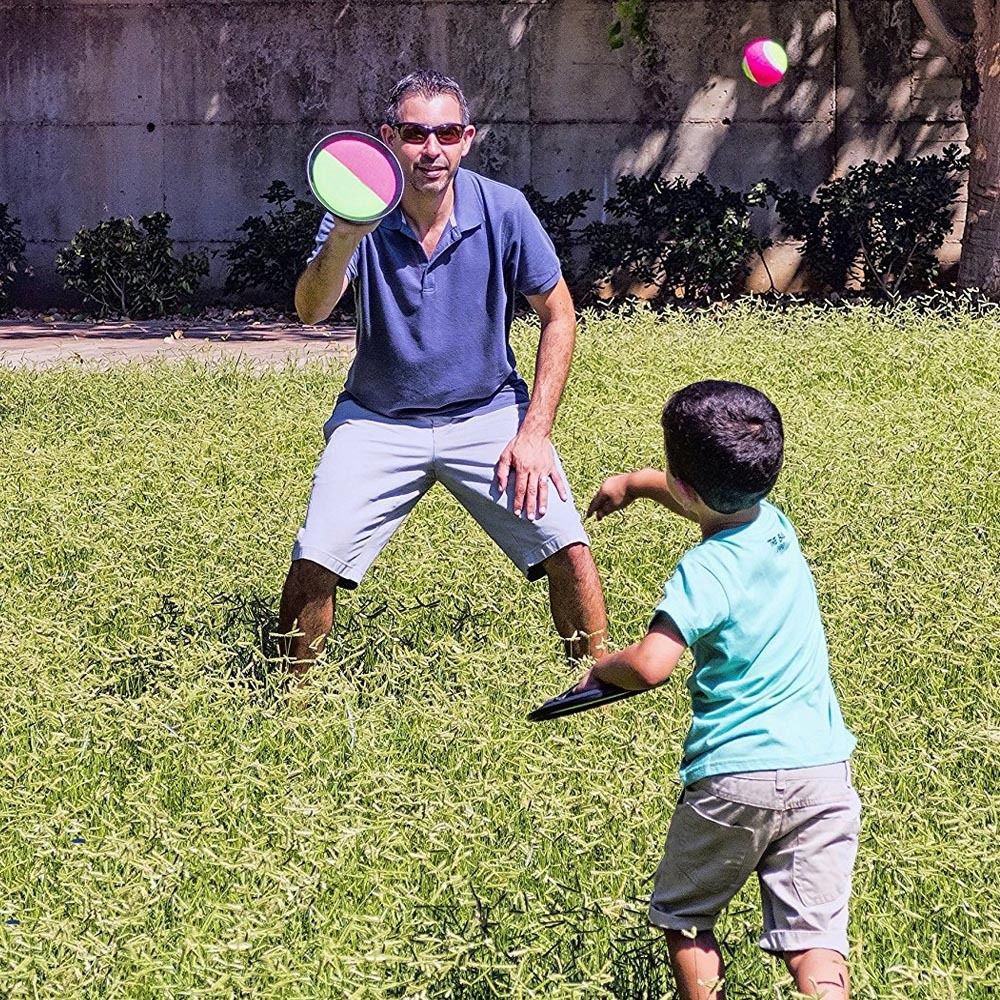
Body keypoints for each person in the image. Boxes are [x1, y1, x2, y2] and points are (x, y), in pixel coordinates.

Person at [279, 70, 607, 676]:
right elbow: (310, 309)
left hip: (486, 415)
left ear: (467, 139)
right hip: (377, 420)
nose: (432, 149)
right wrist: (348, 235)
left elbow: (560, 317)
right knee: (316, 554)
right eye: (414, 133)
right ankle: (288, 705)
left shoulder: (504, 209)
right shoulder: (354, 207)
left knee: (569, 546)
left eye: (447, 133)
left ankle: (595, 687)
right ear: (388, 138)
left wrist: (533, 433)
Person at [581, 380, 860, 1000]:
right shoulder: (776, 527)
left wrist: (603, 666)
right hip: (823, 773)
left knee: (686, 918)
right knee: (815, 938)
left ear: (685, 486)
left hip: (735, 779)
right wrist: (635, 483)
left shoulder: (703, 570)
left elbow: (652, 664)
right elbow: (703, 501)